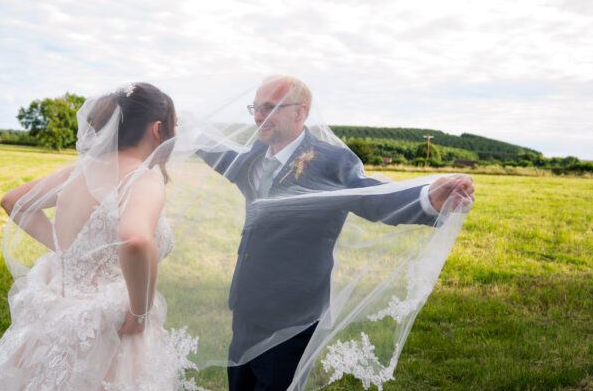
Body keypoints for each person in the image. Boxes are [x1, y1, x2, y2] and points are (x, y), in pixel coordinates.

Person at [195, 75, 475, 391]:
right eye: (255, 108)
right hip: (246, 306)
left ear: (299, 113)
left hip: (291, 315)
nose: (259, 117)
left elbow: (370, 197)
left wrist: (427, 199)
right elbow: (227, 160)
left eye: (269, 108)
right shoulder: (255, 156)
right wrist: (186, 140)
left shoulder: (330, 161)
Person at [0, 83, 199, 391]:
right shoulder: (144, 178)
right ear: (158, 128)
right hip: (110, 327)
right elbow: (135, 239)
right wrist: (139, 311)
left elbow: (13, 201)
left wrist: (68, 250)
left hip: (57, 312)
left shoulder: (80, 171)